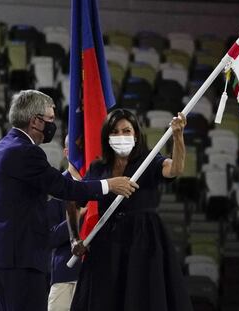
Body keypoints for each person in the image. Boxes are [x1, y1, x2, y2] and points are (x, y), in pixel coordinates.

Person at [0, 90, 139, 311]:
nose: (52, 126)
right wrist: (109, 185)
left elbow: (29, 201)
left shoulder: (1, 147)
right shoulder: (25, 152)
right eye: (50, 120)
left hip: (4, 255)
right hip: (20, 257)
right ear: (35, 121)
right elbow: (65, 187)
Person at [68, 108, 193, 311]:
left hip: (144, 243)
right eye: (115, 132)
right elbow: (73, 201)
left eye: (126, 131)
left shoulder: (149, 161)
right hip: (106, 245)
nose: (121, 136)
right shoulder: (98, 168)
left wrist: (178, 137)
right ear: (107, 136)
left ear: (136, 134)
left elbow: (175, 169)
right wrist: (74, 238)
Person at [47, 135, 85, 311]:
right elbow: (50, 236)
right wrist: (78, 215)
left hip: (98, 273)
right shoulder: (56, 187)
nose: (83, 151)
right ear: (66, 152)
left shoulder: (104, 184)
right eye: (78, 147)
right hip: (66, 274)